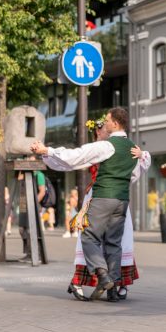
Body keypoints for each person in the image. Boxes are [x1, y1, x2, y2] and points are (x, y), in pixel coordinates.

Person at [32, 107, 140, 301]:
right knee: (114, 242)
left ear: (115, 123)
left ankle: (102, 274)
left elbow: (76, 156)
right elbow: (135, 173)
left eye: (107, 120)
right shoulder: (134, 148)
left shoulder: (107, 146)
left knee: (88, 235)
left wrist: (47, 150)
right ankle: (114, 288)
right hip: (122, 199)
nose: (105, 124)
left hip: (103, 196)